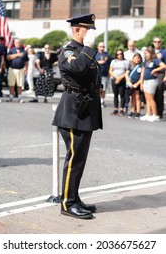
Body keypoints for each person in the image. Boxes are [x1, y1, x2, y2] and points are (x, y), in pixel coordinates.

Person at [52, 13, 103, 219]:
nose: (91, 33)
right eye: (88, 29)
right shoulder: (68, 51)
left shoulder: (83, 51)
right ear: (77, 30)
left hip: (85, 110)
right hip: (73, 111)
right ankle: (68, 203)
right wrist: (90, 49)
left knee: (80, 159)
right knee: (74, 159)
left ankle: (74, 197)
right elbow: (78, 69)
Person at [140, 46, 165, 122]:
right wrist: (141, 82)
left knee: (151, 98)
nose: (146, 54)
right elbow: (142, 72)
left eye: (147, 53)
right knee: (147, 98)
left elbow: (164, 66)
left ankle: (155, 115)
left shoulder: (155, 60)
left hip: (152, 80)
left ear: (151, 53)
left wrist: (155, 69)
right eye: (145, 53)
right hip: (146, 81)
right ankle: (148, 114)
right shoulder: (145, 62)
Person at [6, 38, 29, 103]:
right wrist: (17, 55)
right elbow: (8, 57)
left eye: (19, 43)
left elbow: (26, 61)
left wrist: (26, 69)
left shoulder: (24, 51)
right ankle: (10, 97)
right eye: (16, 43)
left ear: (21, 43)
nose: (17, 44)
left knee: (20, 84)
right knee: (11, 84)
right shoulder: (11, 50)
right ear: (14, 43)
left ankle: (20, 98)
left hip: (20, 69)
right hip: (12, 69)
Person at [109, 49, 128, 116]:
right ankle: (116, 108)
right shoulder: (113, 61)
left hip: (122, 79)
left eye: (121, 54)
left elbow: (127, 71)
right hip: (114, 78)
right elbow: (110, 71)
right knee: (115, 94)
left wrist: (120, 78)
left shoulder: (126, 62)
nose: (119, 55)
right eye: (118, 54)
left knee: (122, 94)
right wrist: (116, 78)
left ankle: (122, 109)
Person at [125, 53, 143, 118]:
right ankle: (132, 111)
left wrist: (137, 83)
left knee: (138, 97)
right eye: (135, 58)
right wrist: (129, 82)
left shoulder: (141, 66)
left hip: (137, 83)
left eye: (138, 58)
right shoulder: (131, 65)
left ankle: (138, 112)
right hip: (131, 84)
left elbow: (142, 77)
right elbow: (126, 74)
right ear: (133, 59)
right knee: (133, 98)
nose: (137, 59)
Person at [152, 36, 166, 119]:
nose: (157, 43)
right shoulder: (150, 51)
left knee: (159, 92)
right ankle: (152, 110)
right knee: (150, 93)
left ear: (161, 43)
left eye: (159, 42)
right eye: (155, 41)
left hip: (160, 74)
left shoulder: (164, 52)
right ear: (153, 42)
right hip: (150, 74)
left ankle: (159, 112)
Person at [95, 42, 112, 107]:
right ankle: (97, 100)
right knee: (97, 88)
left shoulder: (108, 55)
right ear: (98, 47)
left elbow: (111, 65)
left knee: (103, 88)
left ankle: (102, 100)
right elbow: (92, 62)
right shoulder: (95, 54)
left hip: (105, 74)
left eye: (103, 47)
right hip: (96, 74)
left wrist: (109, 73)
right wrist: (99, 62)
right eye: (100, 46)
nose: (102, 48)